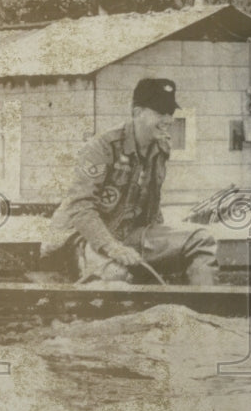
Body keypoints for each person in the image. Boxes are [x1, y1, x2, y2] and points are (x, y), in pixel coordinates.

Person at [51, 78, 217, 284]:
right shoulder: (103, 147)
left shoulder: (161, 148)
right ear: (137, 112)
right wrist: (112, 247)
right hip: (85, 239)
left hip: (129, 236)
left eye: (170, 113)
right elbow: (80, 207)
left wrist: (162, 250)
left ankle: (201, 310)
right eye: (159, 112)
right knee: (117, 275)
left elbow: (152, 205)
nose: (168, 119)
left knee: (201, 239)